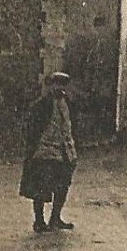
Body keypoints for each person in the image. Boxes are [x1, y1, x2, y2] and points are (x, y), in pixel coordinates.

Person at [19, 72, 77, 233]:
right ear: (50, 86)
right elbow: (30, 129)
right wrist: (33, 147)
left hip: (65, 152)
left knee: (63, 186)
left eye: (62, 85)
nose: (59, 88)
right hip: (44, 151)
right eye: (56, 84)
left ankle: (55, 218)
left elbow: (72, 127)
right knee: (41, 187)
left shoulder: (68, 104)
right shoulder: (41, 105)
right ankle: (39, 221)